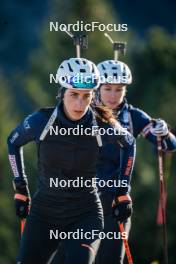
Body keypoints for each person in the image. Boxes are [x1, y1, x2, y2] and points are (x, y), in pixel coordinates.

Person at [7, 57, 136, 264]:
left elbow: (129, 143)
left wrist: (123, 192)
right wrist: (20, 188)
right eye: (73, 95)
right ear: (62, 92)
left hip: (85, 215)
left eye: (87, 96)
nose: (80, 103)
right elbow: (13, 142)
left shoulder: (102, 124)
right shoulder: (41, 121)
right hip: (44, 214)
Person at [92, 59, 176, 264]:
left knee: (112, 259)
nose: (113, 95)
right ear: (97, 88)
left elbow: (170, 146)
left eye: (119, 89)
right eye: (108, 88)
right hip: (83, 198)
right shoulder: (85, 112)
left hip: (117, 201)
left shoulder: (133, 116)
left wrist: (163, 133)